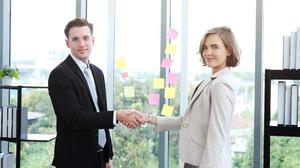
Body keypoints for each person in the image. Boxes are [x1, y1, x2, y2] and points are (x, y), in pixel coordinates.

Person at [48, 18, 144, 168]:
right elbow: (75, 119)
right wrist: (117, 115)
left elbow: (100, 112)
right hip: (74, 160)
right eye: (75, 39)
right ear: (67, 43)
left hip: (99, 157)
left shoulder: (97, 73)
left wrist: (107, 154)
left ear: (93, 40)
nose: (81, 44)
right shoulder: (60, 75)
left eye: (86, 38)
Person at [141, 26, 240, 168]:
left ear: (229, 50)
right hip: (195, 161)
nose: (208, 52)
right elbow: (188, 121)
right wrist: (149, 118)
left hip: (206, 163)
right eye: (205, 48)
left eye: (215, 47)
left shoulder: (221, 85)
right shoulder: (209, 81)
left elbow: (216, 135)